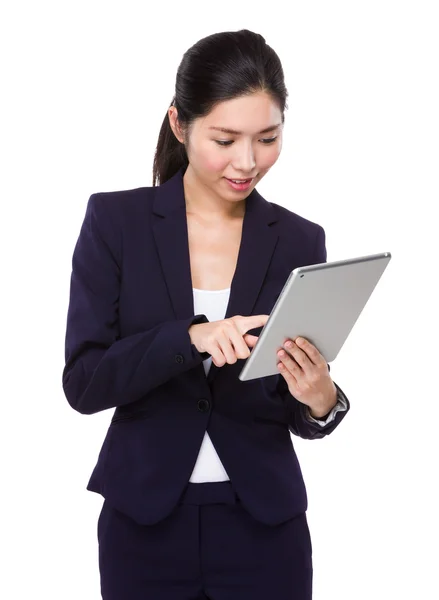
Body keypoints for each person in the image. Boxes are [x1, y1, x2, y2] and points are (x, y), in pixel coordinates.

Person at [62, 28, 350, 600]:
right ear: (179, 124)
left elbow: (284, 400)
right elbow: (85, 383)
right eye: (225, 139)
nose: (248, 162)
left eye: (267, 138)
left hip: (264, 527)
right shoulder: (116, 223)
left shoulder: (299, 240)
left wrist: (321, 400)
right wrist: (191, 337)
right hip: (144, 525)